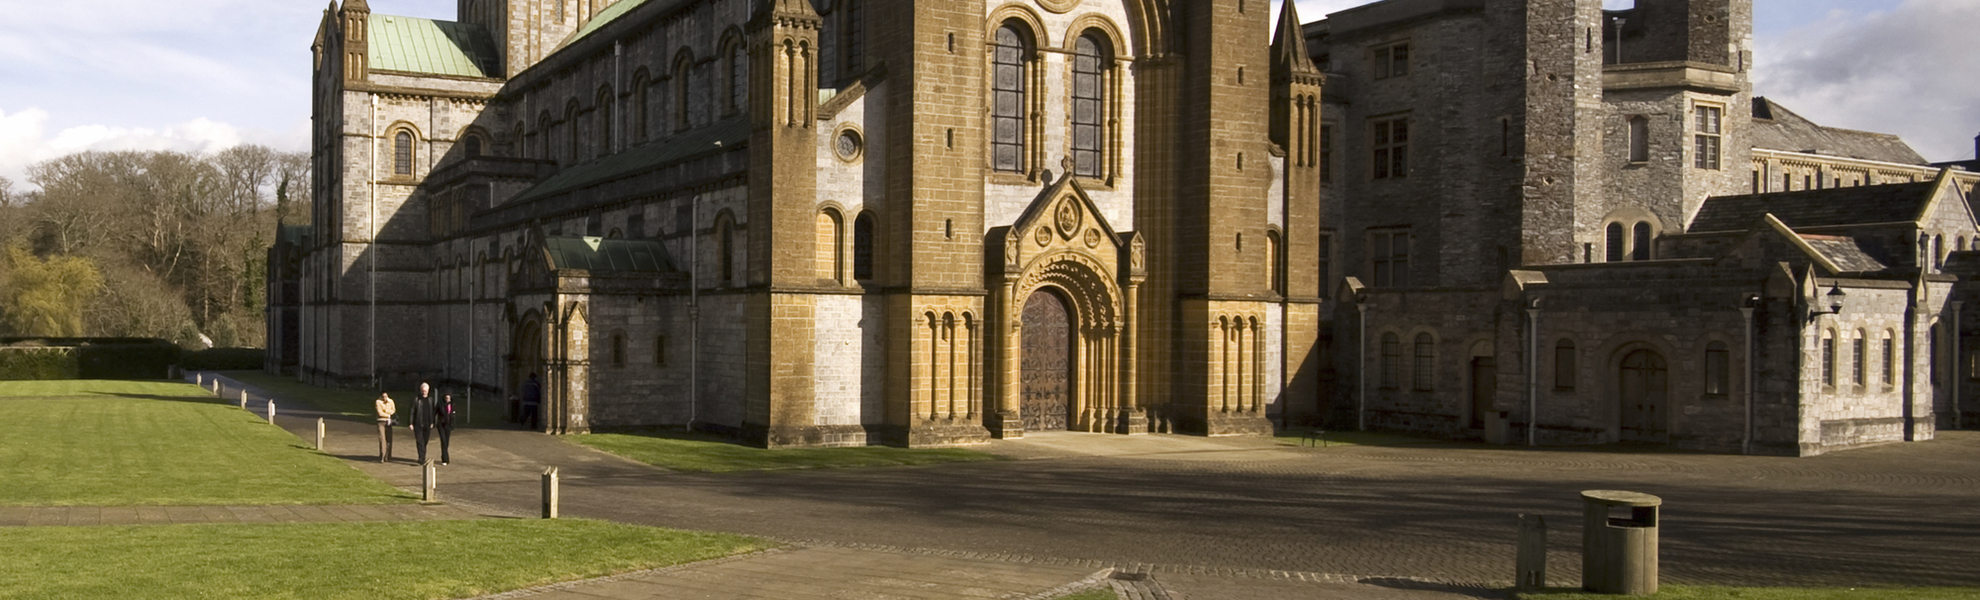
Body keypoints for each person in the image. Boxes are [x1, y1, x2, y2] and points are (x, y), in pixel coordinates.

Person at [409, 382, 437, 464]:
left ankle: (422, 455)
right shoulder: (416, 399)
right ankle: (421, 458)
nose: (424, 392)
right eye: (423, 390)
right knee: (420, 441)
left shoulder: (430, 400)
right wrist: (411, 423)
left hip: (427, 424)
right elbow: (412, 411)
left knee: (425, 441)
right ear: (420, 390)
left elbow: (433, 412)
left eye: (425, 390)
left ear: (428, 391)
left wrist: (432, 422)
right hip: (418, 424)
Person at [374, 392, 396, 463]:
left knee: (389, 438)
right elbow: (380, 413)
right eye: (383, 397)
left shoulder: (391, 401)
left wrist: (386, 411)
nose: (385, 398)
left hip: (389, 422)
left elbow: (393, 410)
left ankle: (388, 456)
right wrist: (388, 415)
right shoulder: (378, 402)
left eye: (386, 396)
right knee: (382, 439)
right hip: (381, 422)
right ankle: (382, 456)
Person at [436, 393, 456, 465]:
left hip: (448, 425)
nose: (447, 399)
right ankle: (445, 459)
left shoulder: (452, 405)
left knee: (446, 442)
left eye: (448, 398)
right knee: (443, 441)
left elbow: (453, 416)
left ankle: (443, 455)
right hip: (441, 425)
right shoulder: (440, 404)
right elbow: (435, 412)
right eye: (446, 398)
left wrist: (452, 426)